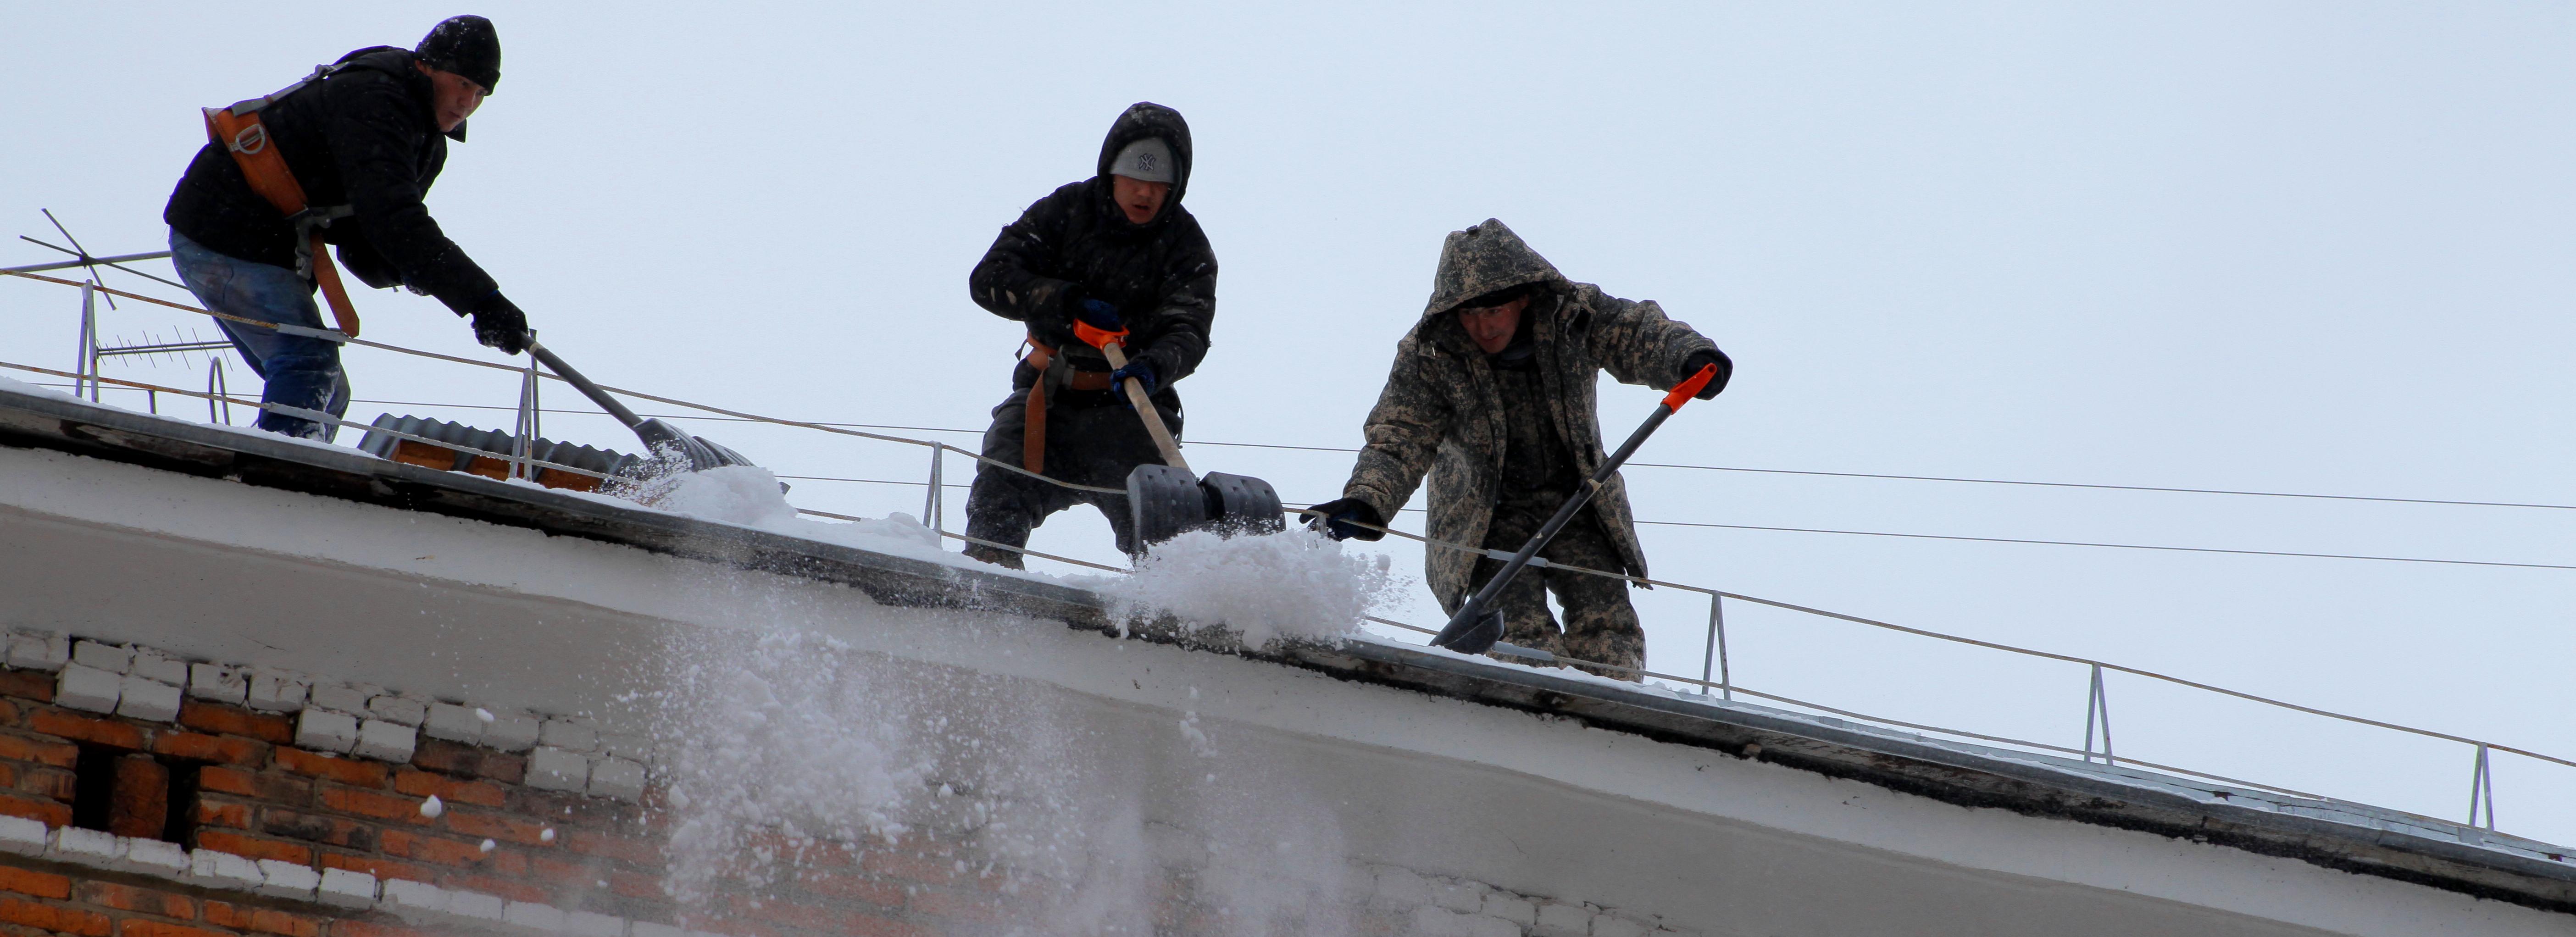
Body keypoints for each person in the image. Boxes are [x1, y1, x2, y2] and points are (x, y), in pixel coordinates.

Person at [1308, 220, 1730, 679]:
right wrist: (1367, 501)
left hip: (1579, 502)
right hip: (1486, 521)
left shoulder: (1576, 316)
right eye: (1469, 314)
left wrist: (1685, 356)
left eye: (1494, 311)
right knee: (1518, 635)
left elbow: (1634, 332)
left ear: (1524, 297)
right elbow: (1401, 435)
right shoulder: (1430, 356)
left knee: (1609, 627)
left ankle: (1613, 715)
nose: (1482, 327)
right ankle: (1533, 710)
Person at [164, 15, 528, 442]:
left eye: (482, 92)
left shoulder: (426, 143)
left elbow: (368, 242)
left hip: (258, 243)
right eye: (463, 82)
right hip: (224, 229)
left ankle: (296, 462)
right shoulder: (375, 97)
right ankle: (276, 474)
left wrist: (415, 272)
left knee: (329, 390)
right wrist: (481, 299)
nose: (469, 101)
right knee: (308, 362)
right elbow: (393, 220)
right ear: (428, 66)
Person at [959, 102, 1217, 567]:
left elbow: (1190, 331)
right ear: (1110, 171)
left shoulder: (1186, 244)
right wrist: (1065, 303)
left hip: (1131, 412)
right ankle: (984, 603)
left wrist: (1154, 366)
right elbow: (989, 279)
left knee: (1171, 540)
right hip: (1046, 403)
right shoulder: (1064, 212)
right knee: (995, 503)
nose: (1145, 193)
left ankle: (1185, 623)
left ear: (1176, 188)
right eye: (1134, 179)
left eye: (1160, 184)